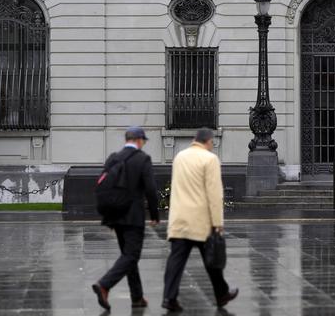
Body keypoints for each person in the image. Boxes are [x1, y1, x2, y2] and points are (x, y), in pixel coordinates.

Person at [162, 128, 238, 312]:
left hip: (180, 219)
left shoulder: (180, 157)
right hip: (200, 220)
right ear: (208, 141)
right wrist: (218, 223)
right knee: (212, 260)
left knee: (176, 260)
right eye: (212, 143)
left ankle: (169, 297)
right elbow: (214, 194)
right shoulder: (210, 159)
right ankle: (221, 294)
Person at [92, 126, 160, 311]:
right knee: (131, 255)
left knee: (128, 255)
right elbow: (151, 190)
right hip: (133, 216)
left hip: (114, 215)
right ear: (138, 140)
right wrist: (154, 214)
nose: (143, 144)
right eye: (144, 141)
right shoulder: (142, 159)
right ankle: (104, 285)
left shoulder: (113, 157)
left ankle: (137, 296)